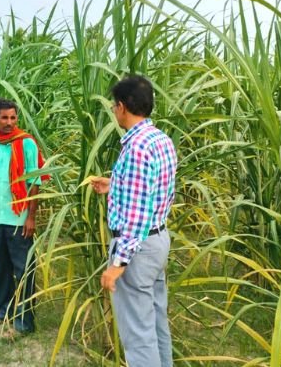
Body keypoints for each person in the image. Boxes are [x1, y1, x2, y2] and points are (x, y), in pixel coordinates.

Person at [91, 75, 177, 366]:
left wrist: (118, 264)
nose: (115, 112)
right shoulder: (160, 140)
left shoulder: (136, 147)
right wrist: (114, 183)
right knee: (154, 322)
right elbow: (153, 188)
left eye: (115, 106)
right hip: (157, 241)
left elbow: (137, 215)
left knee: (138, 336)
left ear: (123, 107)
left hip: (136, 248)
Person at [0, 98, 48, 335]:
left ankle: (24, 323)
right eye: (4, 118)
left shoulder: (26, 144)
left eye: (13, 117)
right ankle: (3, 311)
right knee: (2, 266)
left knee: (24, 270)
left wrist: (31, 217)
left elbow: (35, 181)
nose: (9, 122)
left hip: (19, 219)